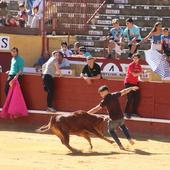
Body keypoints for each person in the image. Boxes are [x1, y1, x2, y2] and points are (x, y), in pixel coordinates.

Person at [87, 85, 137, 150]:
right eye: (100, 93)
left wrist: (86, 113)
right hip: (121, 116)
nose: (101, 94)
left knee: (111, 131)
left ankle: (120, 145)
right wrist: (131, 88)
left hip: (113, 119)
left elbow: (96, 109)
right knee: (123, 127)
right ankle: (130, 139)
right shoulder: (114, 95)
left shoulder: (104, 101)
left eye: (101, 93)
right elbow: (124, 91)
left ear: (106, 92)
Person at [124, 53, 142, 118]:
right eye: (134, 58)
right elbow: (134, 74)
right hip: (128, 83)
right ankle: (126, 112)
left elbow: (138, 76)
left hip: (135, 83)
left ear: (138, 59)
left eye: (136, 58)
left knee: (137, 98)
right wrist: (141, 73)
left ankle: (134, 112)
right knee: (130, 98)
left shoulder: (139, 66)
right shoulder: (130, 65)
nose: (134, 59)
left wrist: (140, 78)